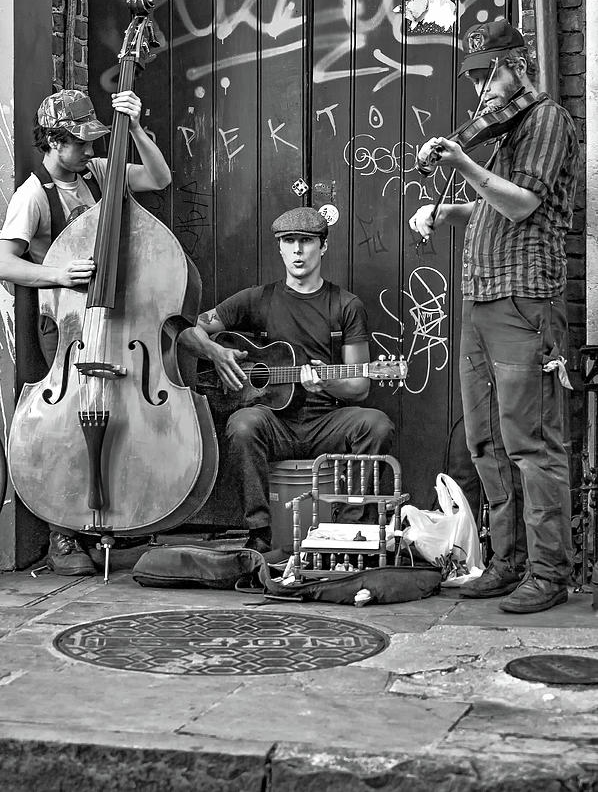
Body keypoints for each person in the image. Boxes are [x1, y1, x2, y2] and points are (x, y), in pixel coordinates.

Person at [409, 18, 579, 613]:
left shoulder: (546, 120)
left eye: (491, 73)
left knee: (531, 443)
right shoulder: (502, 131)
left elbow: (524, 203)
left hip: (523, 301)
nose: (482, 86)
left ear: (519, 66)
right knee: (485, 440)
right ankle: (506, 563)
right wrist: (449, 213)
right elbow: (489, 207)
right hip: (480, 301)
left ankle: (548, 571)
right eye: (476, 75)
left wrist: (464, 166)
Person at [0, 88, 172, 575]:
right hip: (66, 328)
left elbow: (159, 178)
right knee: (67, 430)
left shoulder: (96, 173)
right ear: (53, 143)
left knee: (119, 415)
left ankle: (112, 523)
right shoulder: (32, 195)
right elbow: (4, 261)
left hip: (112, 322)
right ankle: (63, 536)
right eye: (79, 144)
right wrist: (56, 273)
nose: (90, 151)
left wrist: (135, 128)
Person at [179, 207, 395, 553]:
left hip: (326, 420)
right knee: (243, 423)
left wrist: (324, 383)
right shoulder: (257, 298)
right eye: (288, 242)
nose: (297, 250)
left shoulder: (345, 305)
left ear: (322, 247)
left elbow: (360, 385)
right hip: (275, 421)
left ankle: (354, 530)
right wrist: (217, 354)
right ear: (279, 248)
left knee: (376, 425)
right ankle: (259, 534)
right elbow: (187, 330)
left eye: (306, 241)